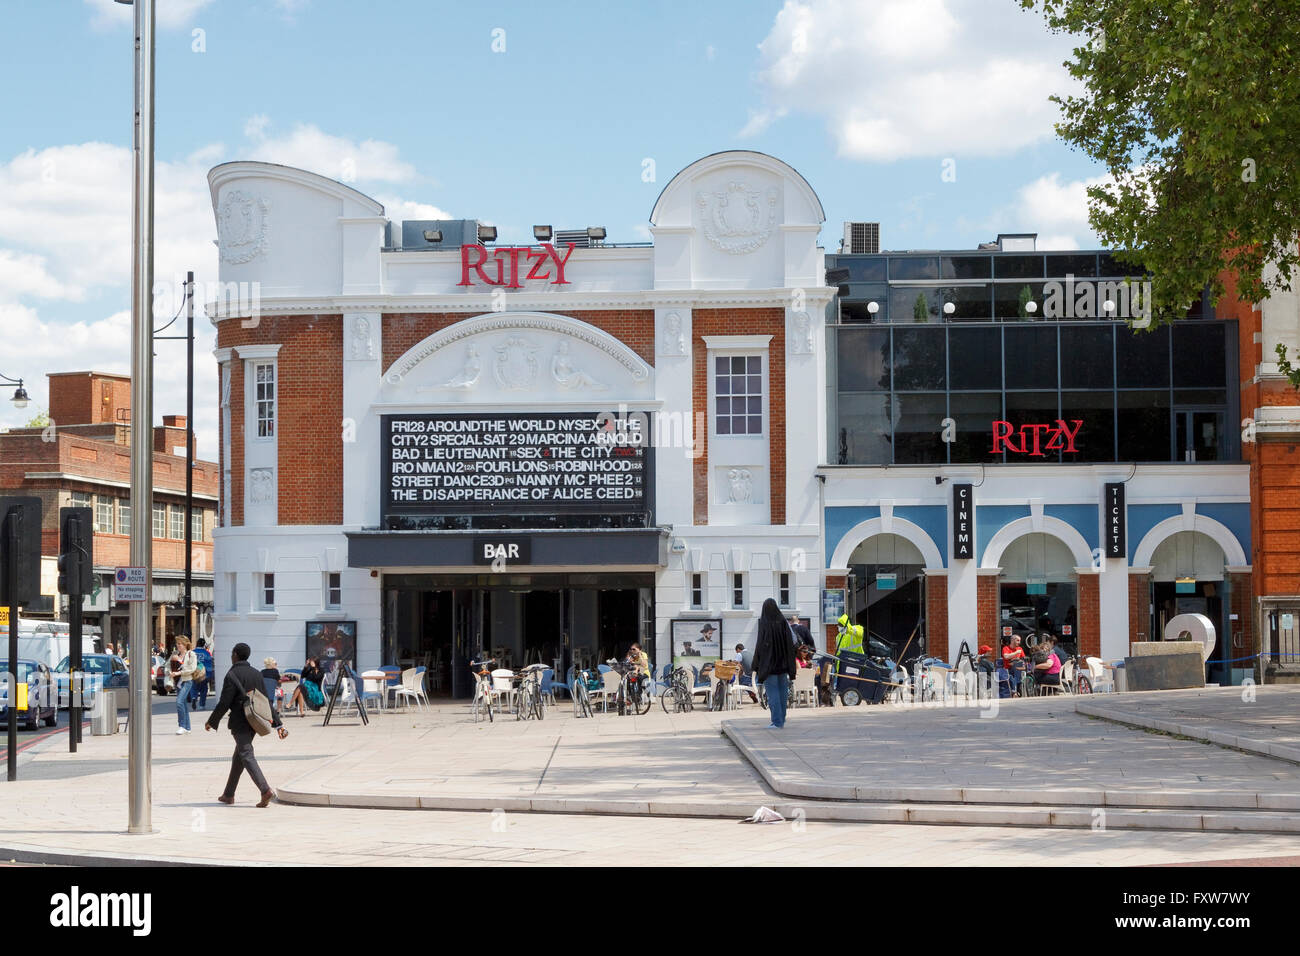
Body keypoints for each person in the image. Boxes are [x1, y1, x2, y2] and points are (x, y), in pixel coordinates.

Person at [205, 642, 288, 807]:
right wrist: (278, 724)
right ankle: (228, 794)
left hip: (240, 722)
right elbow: (265, 700)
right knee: (240, 756)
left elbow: (224, 702)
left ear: (235, 654)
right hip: (255, 721)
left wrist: (212, 721)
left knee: (246, 754)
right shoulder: (256, 674)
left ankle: (265, 790)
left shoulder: (232, 675)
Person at [753, 598, 797, 730]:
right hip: (783, 664)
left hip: (770, 665)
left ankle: (777, 722)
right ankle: (781, 719)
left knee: (772, 693)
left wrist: (757, 664)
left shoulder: (765, 623)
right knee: (783, 691)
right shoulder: (784, 622)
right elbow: (793, 640)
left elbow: (760, 645)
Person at [172, 636, 198, 735]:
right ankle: (187, 727)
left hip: (187, 681)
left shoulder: (191, 654)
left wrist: (179, 673)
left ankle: (181, 726)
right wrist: (170, 672)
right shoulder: (176, 654)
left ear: (185, 644)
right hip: (178, 682)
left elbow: (192, 668)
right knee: (183, 704)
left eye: (180, 644)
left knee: (179, 702)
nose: (178, 645)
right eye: (177, 643)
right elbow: (168, 665)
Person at [193, 638, 215, 710]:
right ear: (203, 645)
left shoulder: (192, 652)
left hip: (194, 673)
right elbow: (209, 665)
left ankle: (194, 697)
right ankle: (202, 705)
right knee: (203, 689)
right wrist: (210, 674)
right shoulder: (207, 653)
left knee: (194, 687)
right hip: (204, 674)